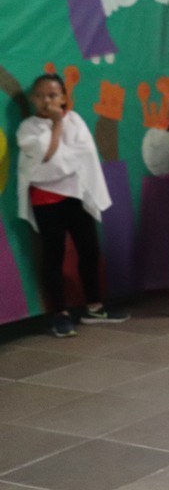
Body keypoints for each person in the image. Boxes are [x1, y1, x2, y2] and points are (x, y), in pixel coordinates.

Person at [16, 73, 128, 337]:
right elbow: (47, 157)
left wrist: (60, 156)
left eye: (53, 95)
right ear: (32, 99)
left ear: (64, 97)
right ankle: (60, 314)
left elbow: (84, 156)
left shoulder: (75, 120)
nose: (47, 101)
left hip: (77, 196)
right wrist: (56, 125)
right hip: (46, 200)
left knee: (89, 251)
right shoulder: (28, 128)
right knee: (53, 256)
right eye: (40, 96)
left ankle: (94, 307)